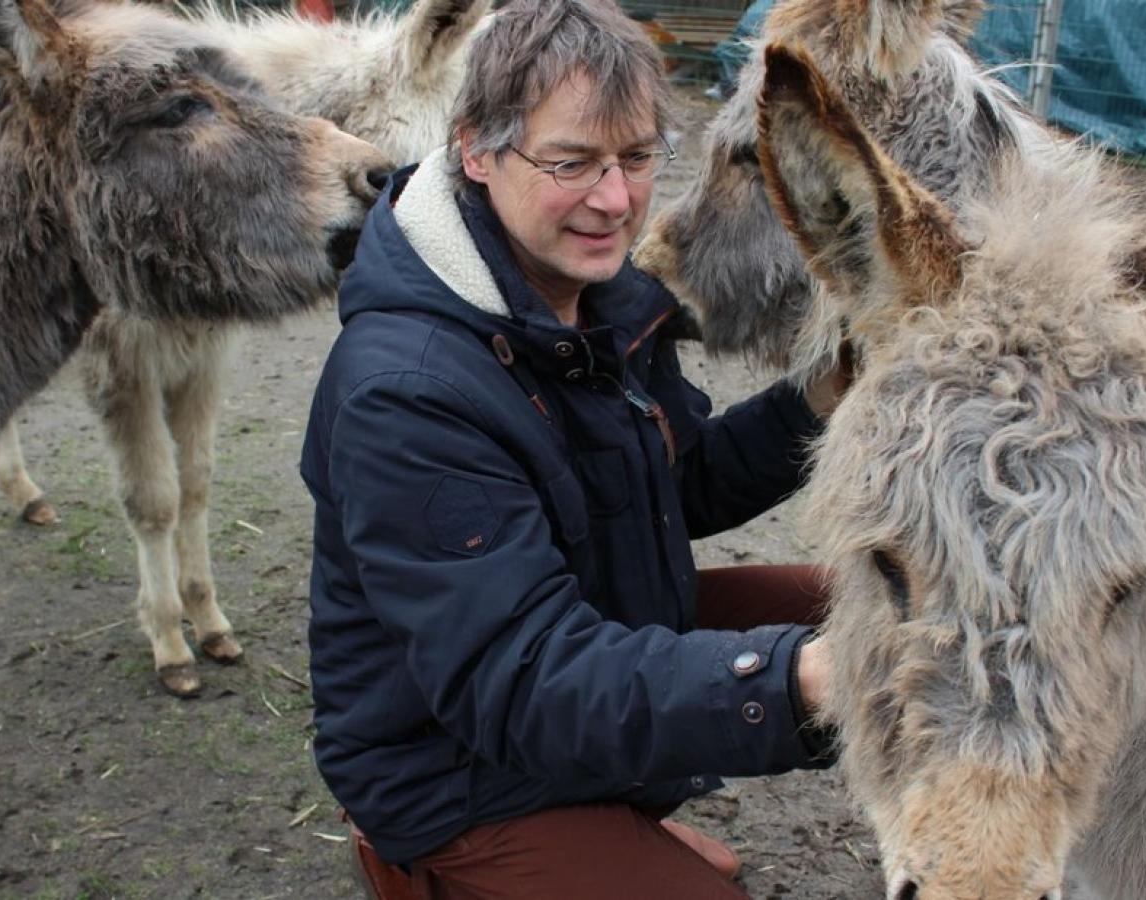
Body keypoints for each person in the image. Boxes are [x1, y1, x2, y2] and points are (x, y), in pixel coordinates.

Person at [300, 1, 847, 896]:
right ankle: (420, 865)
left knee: (862, 613)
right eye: (572, 162)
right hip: (452, 758)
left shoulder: (598, 292)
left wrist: (814, 400)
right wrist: (792, 682)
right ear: (475, 148)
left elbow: (675, 483)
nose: (616, 199)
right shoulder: (406, 390)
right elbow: (521, 678)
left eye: (636, 159)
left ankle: (615, 817)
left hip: (583, 638)